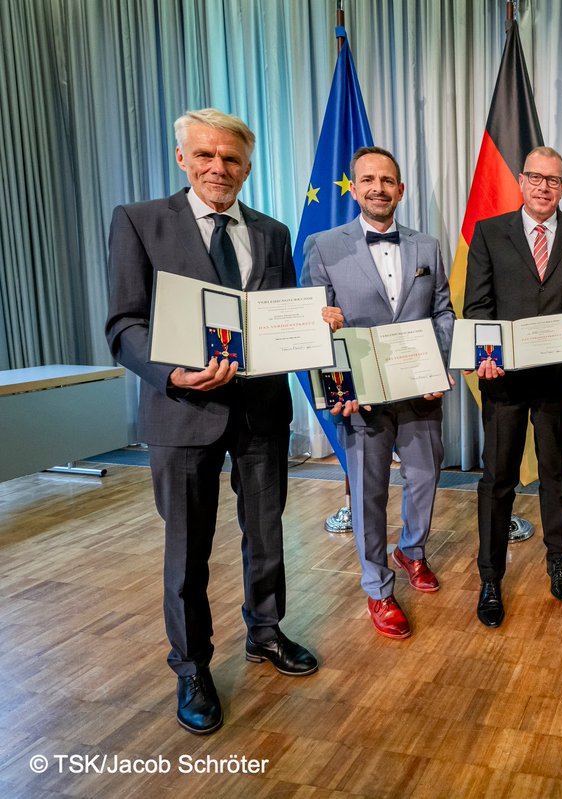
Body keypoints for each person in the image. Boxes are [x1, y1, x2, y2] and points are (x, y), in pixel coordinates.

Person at [105, 109, 323, 735]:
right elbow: (124, 325)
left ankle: (265, 630)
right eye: (205, 156)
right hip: (182, 409)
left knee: (267, 530)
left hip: (261, 410)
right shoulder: (140, 222)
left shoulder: (274, 232)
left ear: (248, 168)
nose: (217, 169)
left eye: (230, 160)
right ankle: (192, 665)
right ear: (182, 159)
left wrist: (314, 324)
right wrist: (172, 374)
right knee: (187, 545)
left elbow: (278, 317)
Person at [301, 146, 455, 640]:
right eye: (368, 179)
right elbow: (316, 323)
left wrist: (439, 366)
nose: (378, 188)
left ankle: (411, 551)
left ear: (400, 189)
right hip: (360, 395)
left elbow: (443, 312)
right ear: (354, 186)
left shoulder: (427, 246)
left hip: (418, 389)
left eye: (387, 180)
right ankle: (378, 588)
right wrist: (336, 386)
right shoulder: (324, 245)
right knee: (368, 493)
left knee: (425, 478)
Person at [463, 146, 562, 628]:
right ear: (521, 181)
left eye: (554, 181)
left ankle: (557, 559)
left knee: (555, 474)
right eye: (536, 178)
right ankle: (490, 577)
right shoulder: (489, 231)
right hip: (503, 381)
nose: (544, 187)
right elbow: (477, 305)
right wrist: (486, 356)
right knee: (497, 479)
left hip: (557, 379)